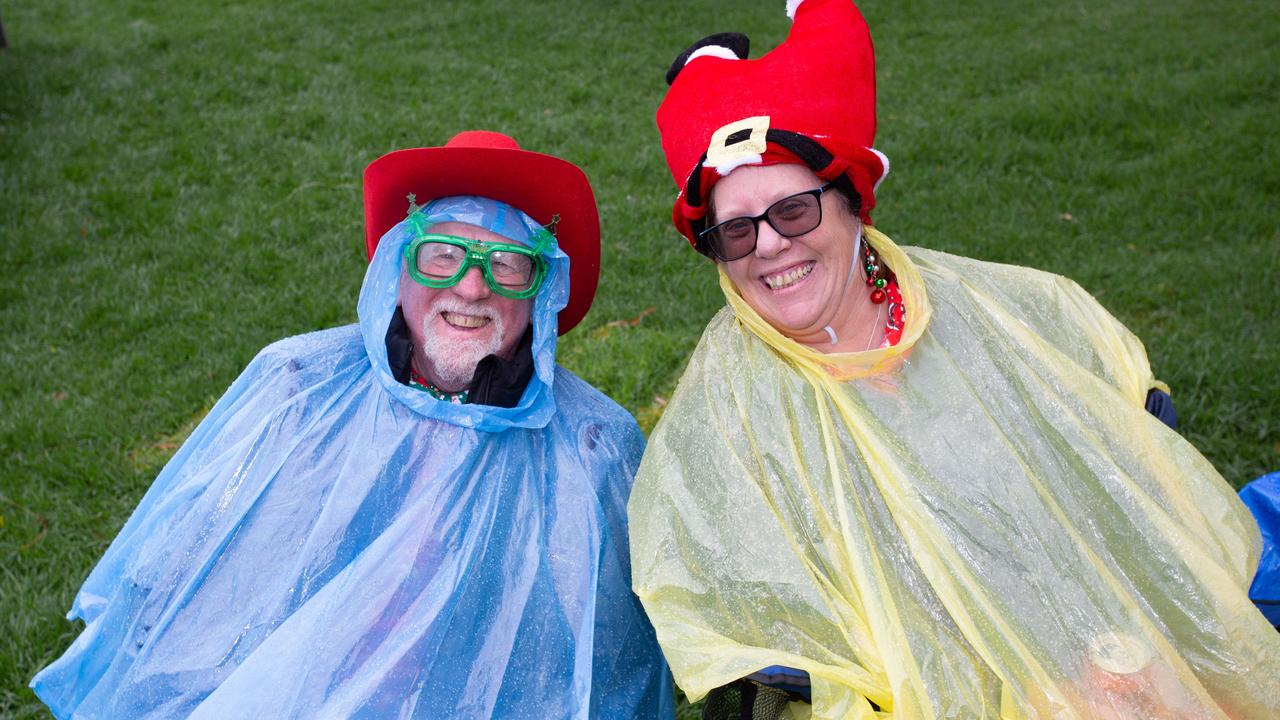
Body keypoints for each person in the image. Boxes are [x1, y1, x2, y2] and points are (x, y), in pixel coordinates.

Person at [627, 2, 1280, 718]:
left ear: (854, 206)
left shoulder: (979, 307)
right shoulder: (721, 411)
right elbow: (721, 591)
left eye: (794, 212)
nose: (772, 247)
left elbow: (1115, 465)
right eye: (736, 232)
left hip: (1102, 652)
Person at [31, 130, 674, 719]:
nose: (473, 286)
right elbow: (193, 593)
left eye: (507, 263)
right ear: (399, 270)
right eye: (442, 254)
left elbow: (605, 670)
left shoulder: (593, 447)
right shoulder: (298, 389)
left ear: (541, 293)